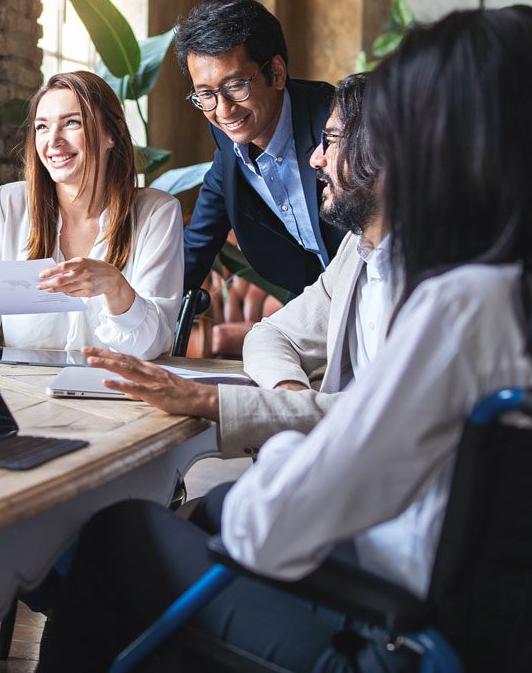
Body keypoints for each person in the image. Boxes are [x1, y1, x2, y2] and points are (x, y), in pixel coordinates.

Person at [13, 6, 532, 673]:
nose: (325, 158)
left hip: (399, 656)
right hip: (483, 661)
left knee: (120, 538)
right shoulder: (498, 287)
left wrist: (291, 446)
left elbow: (270, 530)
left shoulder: (462, 303)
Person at [89, 73, 390, 459]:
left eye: (329, 141)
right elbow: (268, 335)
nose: (315, 158)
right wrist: (289, 394)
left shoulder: (440, 287)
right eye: (205, 95)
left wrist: (206, 400)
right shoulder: (358, 252)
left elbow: (380, 419)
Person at [0, 70, 182, 357]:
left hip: (118, 396)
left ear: (113, 133)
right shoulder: (9, 204)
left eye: (72, 123)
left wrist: (115, 286)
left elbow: (153, 344)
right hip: (24, 394)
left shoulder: (157, 213)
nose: (53, 140)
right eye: (42, 127)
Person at [178, 0, 345, 299]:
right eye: (206, 94)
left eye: (236, 85)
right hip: (314, 301)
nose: (224, 110)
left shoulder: (336, 123)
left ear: (277, 73)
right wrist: (141, 314)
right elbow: (198, 244)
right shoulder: (229, 140)